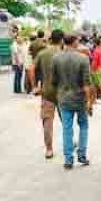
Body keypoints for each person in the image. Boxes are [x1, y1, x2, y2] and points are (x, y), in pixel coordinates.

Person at [51, 33, 93, 170]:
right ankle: (82, 155)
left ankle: (68, 160)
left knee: (67, 130)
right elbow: (87, 83)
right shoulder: (83, 59)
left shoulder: (56, 58)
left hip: (64, 99)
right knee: (84, 126)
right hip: (80, 99)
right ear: (75, 42)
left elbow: (54, 81)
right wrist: (89, 103)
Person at [33, 30, 64, 159]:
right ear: (62, 40)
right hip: (63, 93)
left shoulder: (42, 54)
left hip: (47, 93)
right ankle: (70, 143)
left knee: (47, 121)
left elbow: (31, 69)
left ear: (51, 39)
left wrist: (35, 86)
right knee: (66, 120)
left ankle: (49, 149)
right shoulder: (64, 54)